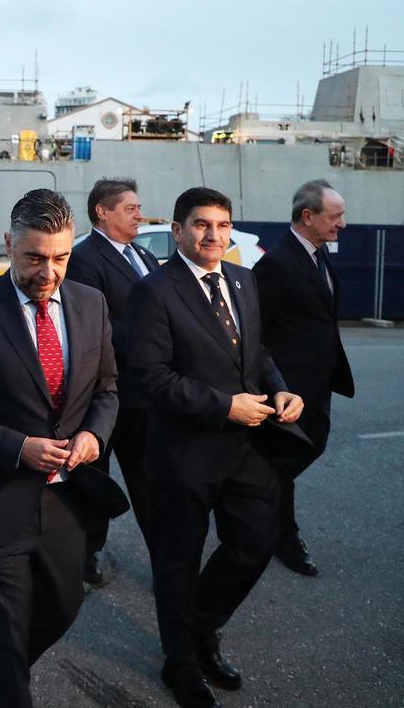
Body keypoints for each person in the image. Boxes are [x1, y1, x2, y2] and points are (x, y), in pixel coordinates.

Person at [0, 189, 119, 708]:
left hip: (67, 498)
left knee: (64, 605)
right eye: (35, 257)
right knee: (8, 629)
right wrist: (18, 448)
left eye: (60, 257)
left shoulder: (91, 304)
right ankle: (6, 677)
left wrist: (94, 436)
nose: (49, 271)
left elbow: (106, 389)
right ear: (10, 244)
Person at [126, 187, 304, 708]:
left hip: (242, 448)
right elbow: (150, 378)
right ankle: (180, 665)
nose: (213, 235)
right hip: (181, 454)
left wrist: (278, 387)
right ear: (178, 230)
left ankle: (199, 627)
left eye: (222, 225)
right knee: (176, 565)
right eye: (202, 224)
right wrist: (225, 405)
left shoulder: (244, 281)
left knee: (255, 542)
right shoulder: (154, 291)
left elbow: (256, 351)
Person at [252, 180, 355, 577]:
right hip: (289, 388)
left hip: (317, 381)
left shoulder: (316, 254)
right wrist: (274, 384)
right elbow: (255, 328)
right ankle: (282, 535)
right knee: (282, 459)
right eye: (336, 216)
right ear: (307, 216)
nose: (343, 224)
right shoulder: (279, 262)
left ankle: (257, 500)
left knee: (305, 448)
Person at [66, 177, 160, 585]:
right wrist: (154, 338)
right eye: (130, 208)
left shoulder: (144, 255)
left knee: (150, 482)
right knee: (96, 478)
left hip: (146, 393)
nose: (139, 214)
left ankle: (166, 556)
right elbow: (94, 326)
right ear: (102, 212)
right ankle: (87, 552)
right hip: (107, 392)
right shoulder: (85, 258)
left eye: (139, 208)